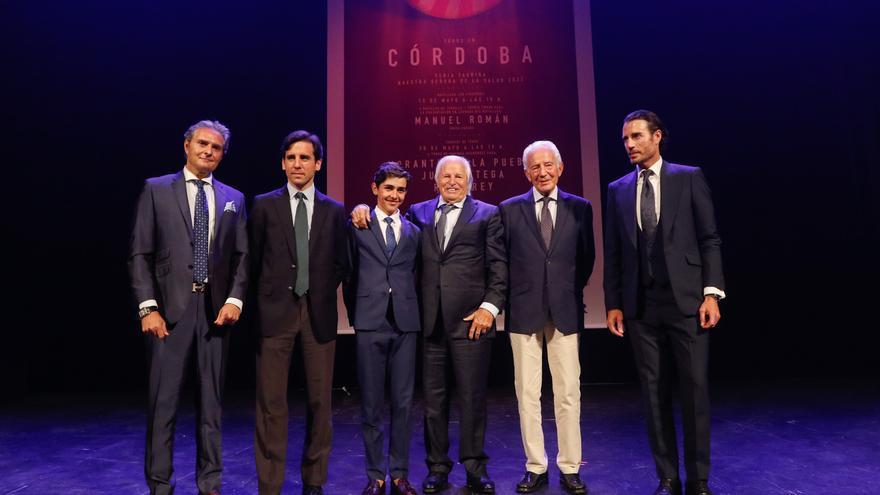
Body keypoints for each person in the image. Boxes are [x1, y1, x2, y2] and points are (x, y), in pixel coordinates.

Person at [352, 155, 507, 494]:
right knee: (433, 401)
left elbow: (499, 267)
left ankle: (475, 468)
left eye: (459, 176)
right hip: (429, 323)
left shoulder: (488, 213)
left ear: (470, 182)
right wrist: (361, 207)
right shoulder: (417, 214)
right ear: (435, 182)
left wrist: (489, 308)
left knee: (472, 398)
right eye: (446, 176)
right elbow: (386, 225)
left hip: (472, 323)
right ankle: (437, 468)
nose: (452, 181)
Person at [604, 110, 725, 495]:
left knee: (694, 389)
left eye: (637, 136)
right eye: (625, 139)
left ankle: (699, 478)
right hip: (642, 305)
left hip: (686, 300)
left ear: (657, 137)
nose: (630, 144)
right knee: (653, 393)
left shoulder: (688, 178)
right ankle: (667, 477)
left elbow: (710, 239)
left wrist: (711, 292)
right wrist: (614, 303)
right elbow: (614, 253)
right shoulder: (618, 189)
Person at [128, 119, 249, 495]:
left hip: (214, 312)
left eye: (216, 147)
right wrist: (148, 307)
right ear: (186, 146)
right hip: (169, 312)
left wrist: (234, 299)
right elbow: (139, 253)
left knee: (212, 405)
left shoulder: (234, 198)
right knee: (163, 404)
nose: (208, 151)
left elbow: (243, 256)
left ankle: (210, 482)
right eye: (202, 144)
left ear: (222, 155)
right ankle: (160, 484)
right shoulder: (156, 189)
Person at [250, 131, 348, 495]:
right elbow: (254, 259)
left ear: (318, 164)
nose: (297, 164)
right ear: (282, 163)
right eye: (291, 158)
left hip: (318, 317)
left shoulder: (333, 210)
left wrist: (318, 290)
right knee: (271, 405)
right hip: (275, 316)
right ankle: (270, 484)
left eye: (304, 158)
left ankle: (314, 480)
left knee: (320, 403)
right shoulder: (263, 205)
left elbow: (341, 262)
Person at [499, 140, 595, 494]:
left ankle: (570, 466)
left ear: (560, 167)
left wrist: (564, 291)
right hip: (523, 312)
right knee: (527, 393)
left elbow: (586, 258)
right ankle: (535, 466)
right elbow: (503, 262)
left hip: (565, 311)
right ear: (526, 172)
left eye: (547, 165)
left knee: (569, 392)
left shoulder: (580, 208)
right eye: (534, 167)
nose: (542, 172)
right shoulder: (508, 210)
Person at [343, 162, 421, 495]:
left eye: (400, 190)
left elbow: (416, 274)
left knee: (403, 403)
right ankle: (375, 474)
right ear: (375, 189)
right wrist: (358, 316)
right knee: (372, 404)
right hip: (370, 323)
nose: (394, 195)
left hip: (405, 324)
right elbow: (348, 273)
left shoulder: (414, 232)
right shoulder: (358, 225)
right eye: (388, 188)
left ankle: (400, 474)